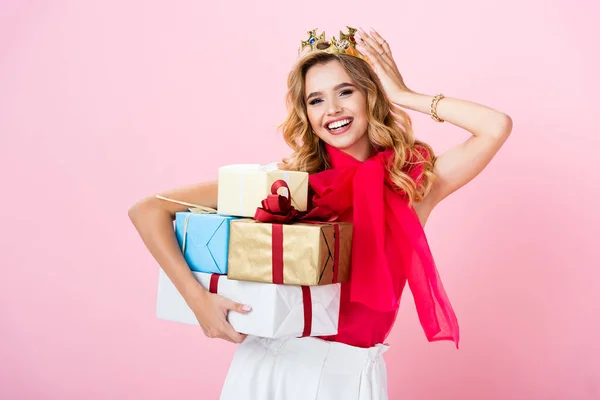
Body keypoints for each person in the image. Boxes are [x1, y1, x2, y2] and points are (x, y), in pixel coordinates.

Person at [128, 26, 513, 399]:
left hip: (355, 375)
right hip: (272, 369)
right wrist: (199, 303)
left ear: (370, 97)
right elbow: (148, 211)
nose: (332, 110)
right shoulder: (286, 186)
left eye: (345, 91)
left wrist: (404, 93)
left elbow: (495, 126)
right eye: (316, 100)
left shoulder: (409, 186)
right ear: (306, 113)